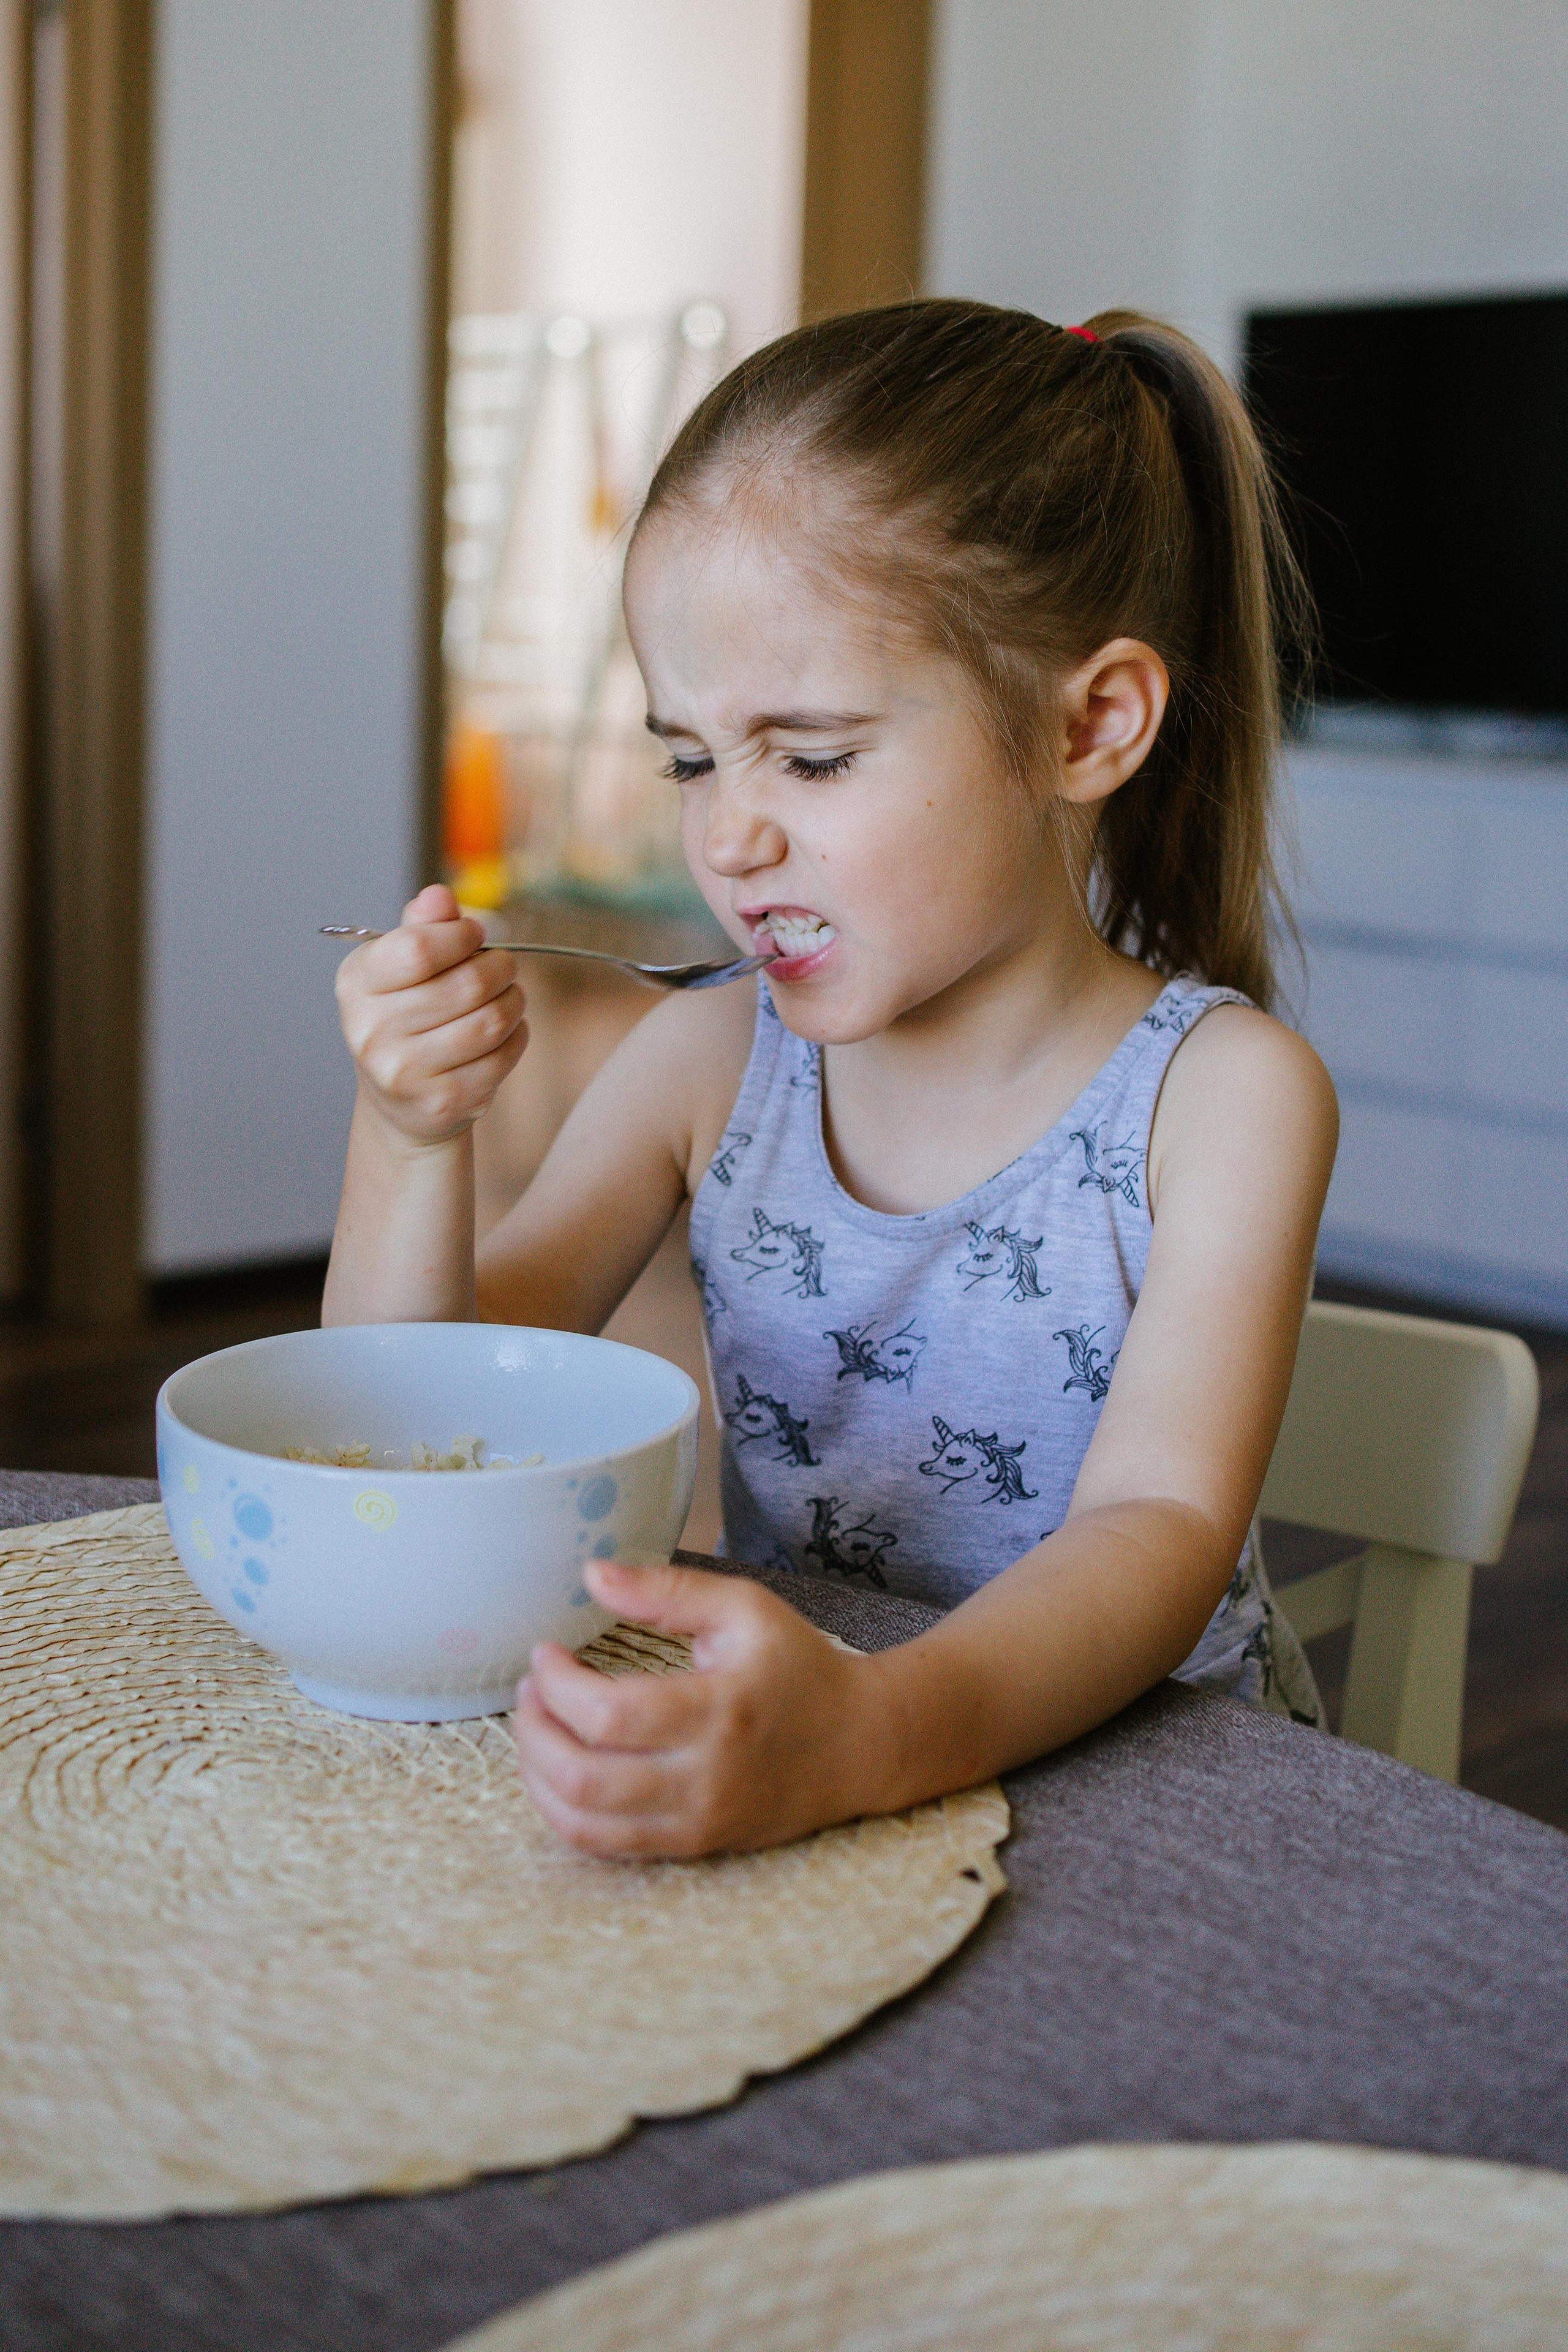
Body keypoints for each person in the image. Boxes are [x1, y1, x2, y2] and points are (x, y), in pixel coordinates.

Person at [325, 300, 1338, 1858]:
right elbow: (409, 1426)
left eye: (807, 759)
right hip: (818, 1743)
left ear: (1089, 726)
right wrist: (407, 1139)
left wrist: (876, 1730)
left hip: (1156, 1800)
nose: (726, 838)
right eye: (689, 760)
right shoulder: (706, 1061)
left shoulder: (1221, 1101)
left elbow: (1159, 1535)